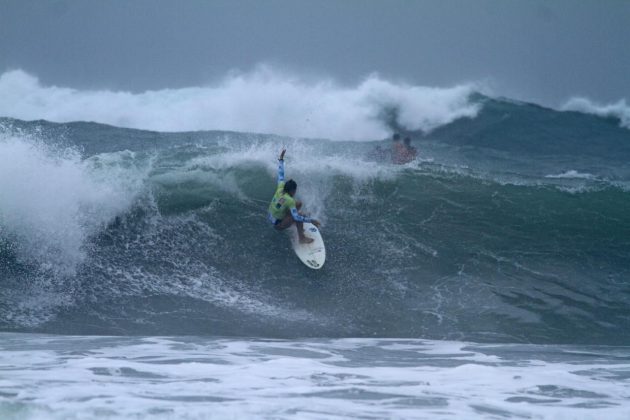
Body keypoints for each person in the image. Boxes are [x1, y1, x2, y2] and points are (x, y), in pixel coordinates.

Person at [267, 149, 321, 244]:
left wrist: (281, 159)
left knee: (299, 204)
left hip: (271, 217)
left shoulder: (280, 188)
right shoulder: (290, 200)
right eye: (295, 190)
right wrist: (311, 221)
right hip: (277, 225)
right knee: (299, 216)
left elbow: (281, 174)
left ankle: (293, 222)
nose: (296, 192)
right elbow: (297, 217)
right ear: (292, 191)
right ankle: (302, 238)